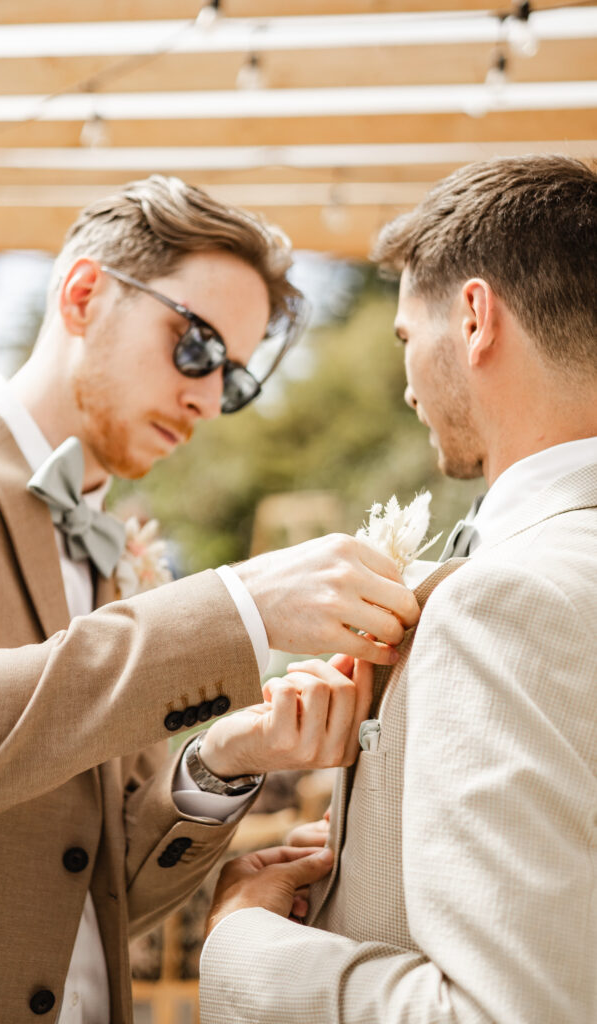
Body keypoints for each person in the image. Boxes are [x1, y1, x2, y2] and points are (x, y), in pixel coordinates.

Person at [0, 176, 421, 1024]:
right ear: (83, 295)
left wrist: (222, 761)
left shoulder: (117, 551)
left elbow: (100, 886)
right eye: (195, 347)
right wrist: (236, 607)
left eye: (235, 378)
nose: (210, 398)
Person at [200, 154, 597, 1024]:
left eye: (404, 340)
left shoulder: (503, 602)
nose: (409, 384)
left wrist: (244, 947)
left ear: (472, 317)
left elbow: (508, 1012)